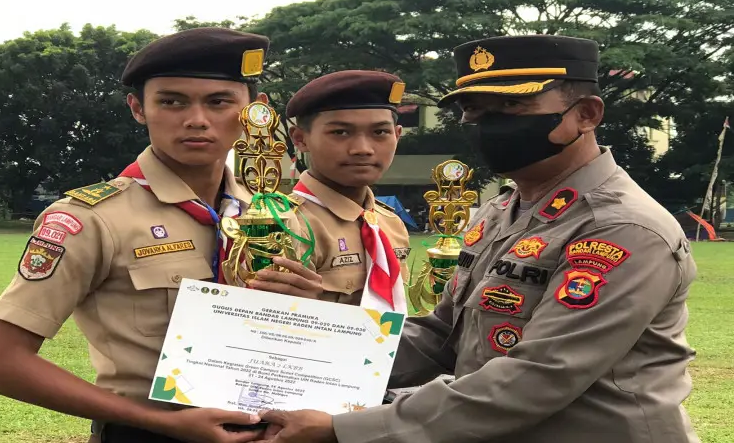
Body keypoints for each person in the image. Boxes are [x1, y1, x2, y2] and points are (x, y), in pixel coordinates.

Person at [254, 35, 701, 443]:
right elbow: (441, 336)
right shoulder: (502, 210)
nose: (488, 125)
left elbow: (540, 376)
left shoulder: (618, 228)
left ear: (586, 114)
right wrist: (298, 352)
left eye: (511, 108)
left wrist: (342, 429)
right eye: (476, 109)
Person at [0, 27, 322, 443]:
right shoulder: (91, 218)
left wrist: (304, 312)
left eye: (219, 102)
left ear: (254, 110)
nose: (197, 120)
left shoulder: (274, 216)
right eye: (171, 101)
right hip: (149, 433)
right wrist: (164, 423)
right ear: (138, 108)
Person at [280, 70, 412, 314]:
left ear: (397, 135)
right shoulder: (285, 225)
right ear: (300, 139)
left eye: (380, 132)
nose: (362, 149)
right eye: (340, 132)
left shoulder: (390, 222)